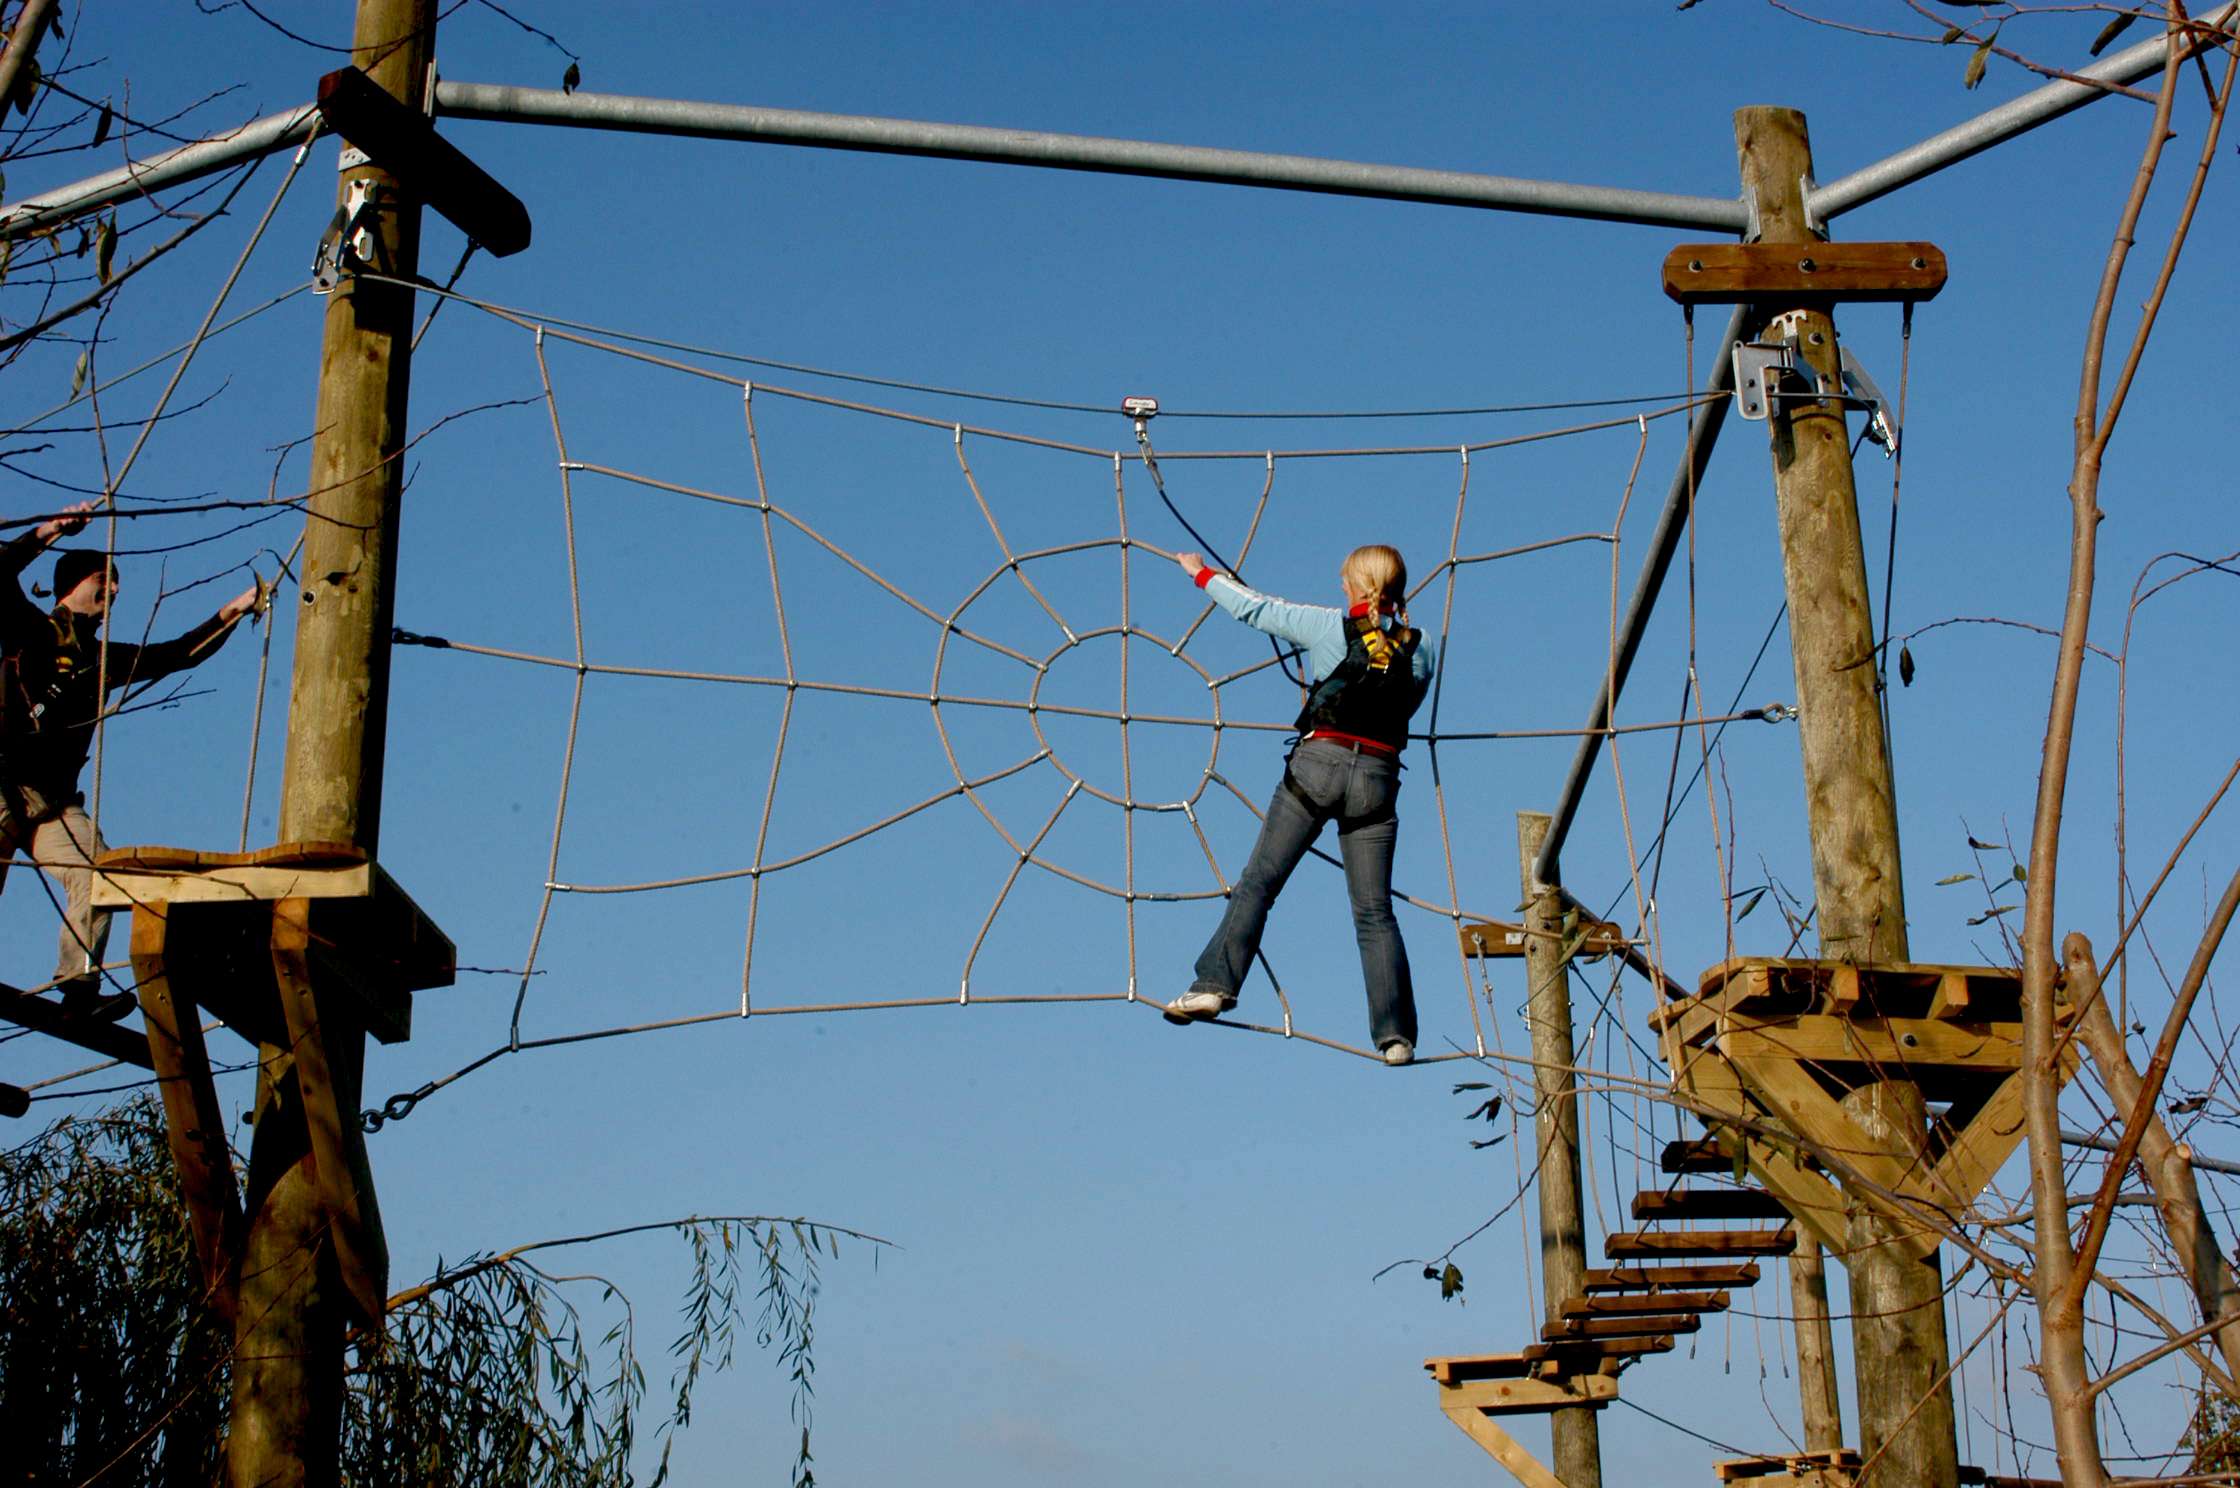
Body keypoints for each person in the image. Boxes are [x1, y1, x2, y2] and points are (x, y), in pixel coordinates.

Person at [1166, 544, 1437, 1065]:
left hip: (1319, 765)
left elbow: (1254, 609)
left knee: (1259, 883)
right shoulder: (1422, 646)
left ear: (1354, 585)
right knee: (1374, 912)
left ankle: (1213, 985)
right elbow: (1406, 704)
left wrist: (1200, 574)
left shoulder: (1327, 626)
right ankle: (1395, 1037)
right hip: (1377, 780)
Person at [0, 500, 260, 1019]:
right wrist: (50, 530)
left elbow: (178, 654)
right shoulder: (28, 630)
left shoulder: (103, 659)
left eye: (117, 582)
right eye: (104, 579)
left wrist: (235, 610)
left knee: (98, 874)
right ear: (73, 584)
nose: (115, 590)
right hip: (5, 782)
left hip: (52, 803)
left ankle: (78, 986)